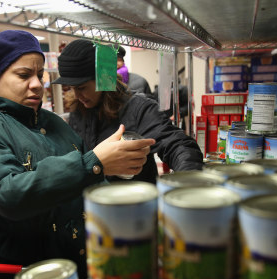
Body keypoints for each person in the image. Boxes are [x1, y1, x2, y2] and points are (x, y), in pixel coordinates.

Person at [0, 30, 154, 279]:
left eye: (40, 74)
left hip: (81, 267)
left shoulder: (52, 123)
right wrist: (95, 163)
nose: (37, 84)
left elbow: (91, 182)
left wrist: (120, 179)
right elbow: (9, 194)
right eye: (23, 75)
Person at [52, 39, 203, 183]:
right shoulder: (79, 112)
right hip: (94, 204)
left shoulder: (138, 108)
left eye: (82, 88)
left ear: (103, 78)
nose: (77, 96)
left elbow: (177, 145)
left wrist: (188, 180)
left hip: (135, 204)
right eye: (72, 88)